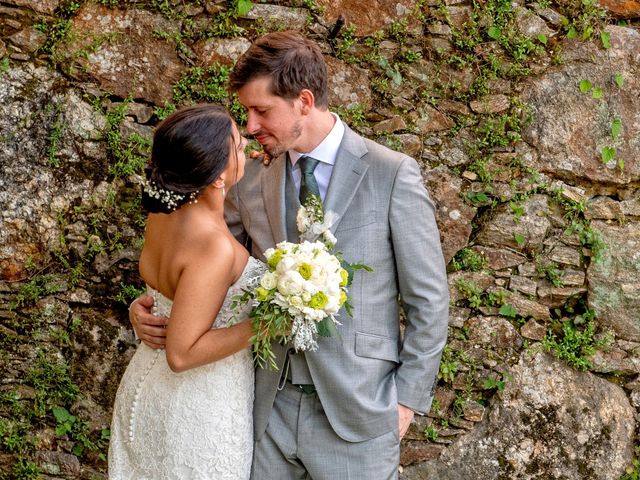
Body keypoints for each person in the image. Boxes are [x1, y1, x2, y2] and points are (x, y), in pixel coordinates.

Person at [130, 31, 449, 479]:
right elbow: (201, 266)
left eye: (261, 110)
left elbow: (428, 300)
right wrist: (146, 306)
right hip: (265, 407)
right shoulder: (245, 177)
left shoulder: (391, 173)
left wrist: (405, 401)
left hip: (357, 411)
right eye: (246, 112)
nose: (251, 126)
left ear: (303, 100)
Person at [109, 104, 265, 479]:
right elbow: (182, 353)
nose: (246, 142)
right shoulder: (212, 246)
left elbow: (167, 293)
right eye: (237, 144)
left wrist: (138, 308)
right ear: (214, 177)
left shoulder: (161, 215)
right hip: (197, 406)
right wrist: (267, 327)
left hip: (145, 389)